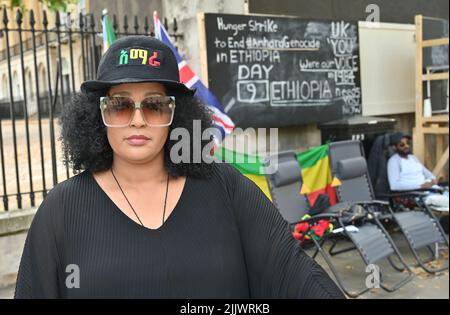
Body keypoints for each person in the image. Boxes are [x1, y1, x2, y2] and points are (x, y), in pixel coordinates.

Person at [14, 36, 344, 299]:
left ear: (178, 116)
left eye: (155, 105)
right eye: (120, 105)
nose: (138, 120)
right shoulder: (61, 210)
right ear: (97, 116)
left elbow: (293, 274)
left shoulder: (225, 187)